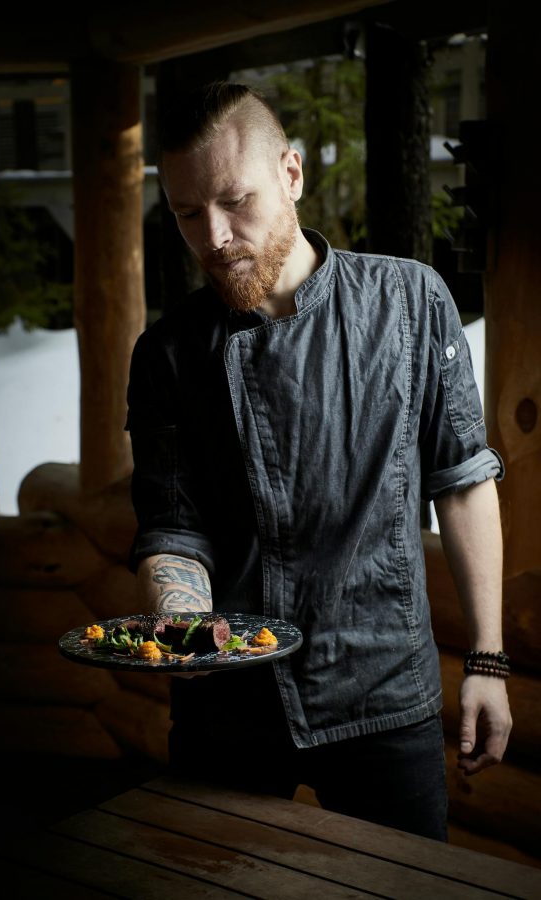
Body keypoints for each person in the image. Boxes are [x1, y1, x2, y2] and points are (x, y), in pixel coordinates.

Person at [125, 81, 512, 841]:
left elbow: (462, 482)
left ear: (291, 175)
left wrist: (489, 662)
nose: (215, 236)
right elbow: (173, 527)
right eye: (187, 214)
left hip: (384, 694)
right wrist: (183, 626)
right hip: (228, 708)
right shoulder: (166, 354)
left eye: (236, 201)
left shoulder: (411, 303)